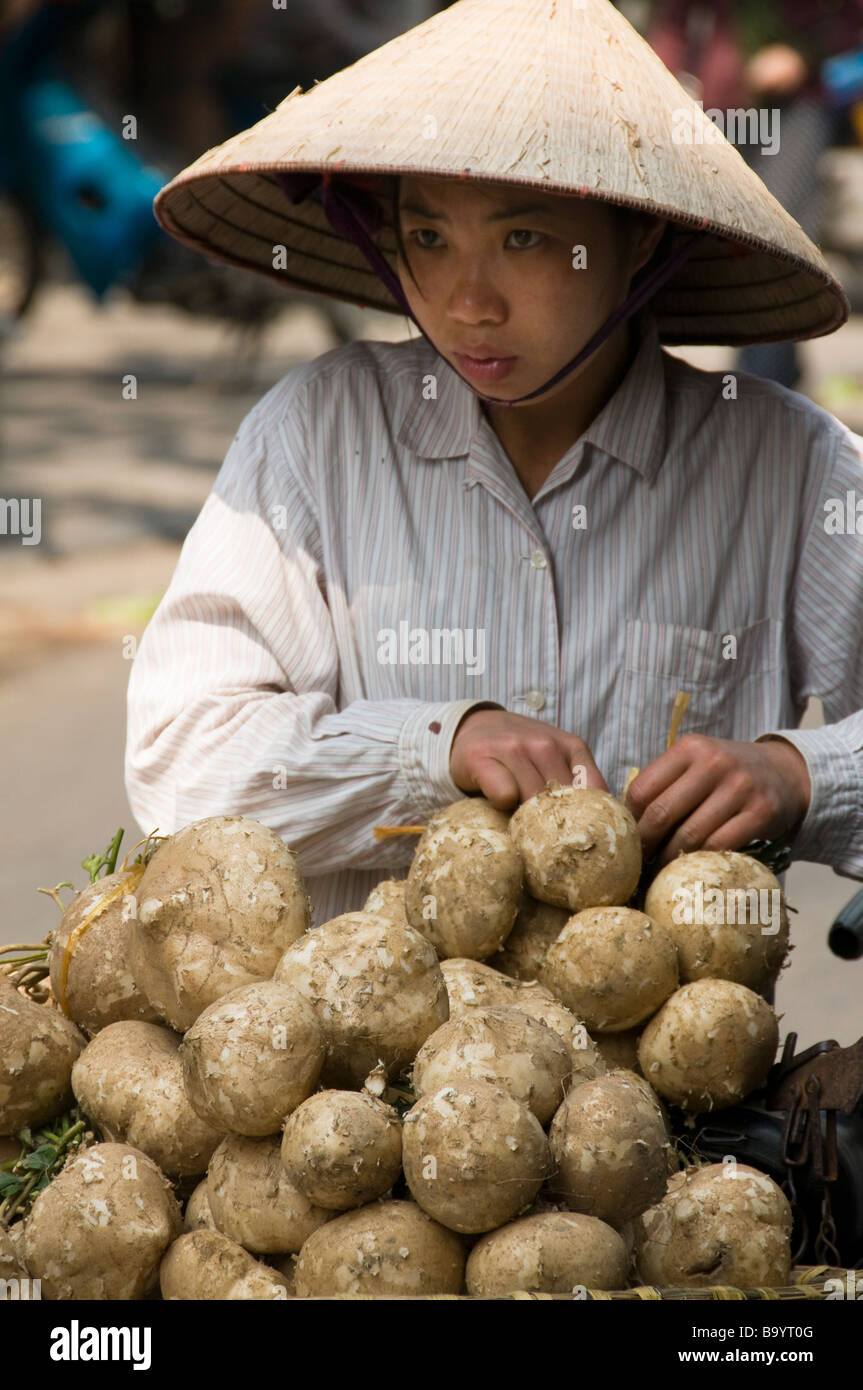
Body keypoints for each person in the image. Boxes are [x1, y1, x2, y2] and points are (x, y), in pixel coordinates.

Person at [125, 0, 863, 928]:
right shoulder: (316, 432)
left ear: (638, 238)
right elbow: (180, 762)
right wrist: (433, 748)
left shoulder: (788, 467)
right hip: (357, 1067)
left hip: (669, 1071)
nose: (468, 302)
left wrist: (801, 775)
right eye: (430, 239)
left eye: (524, 239)